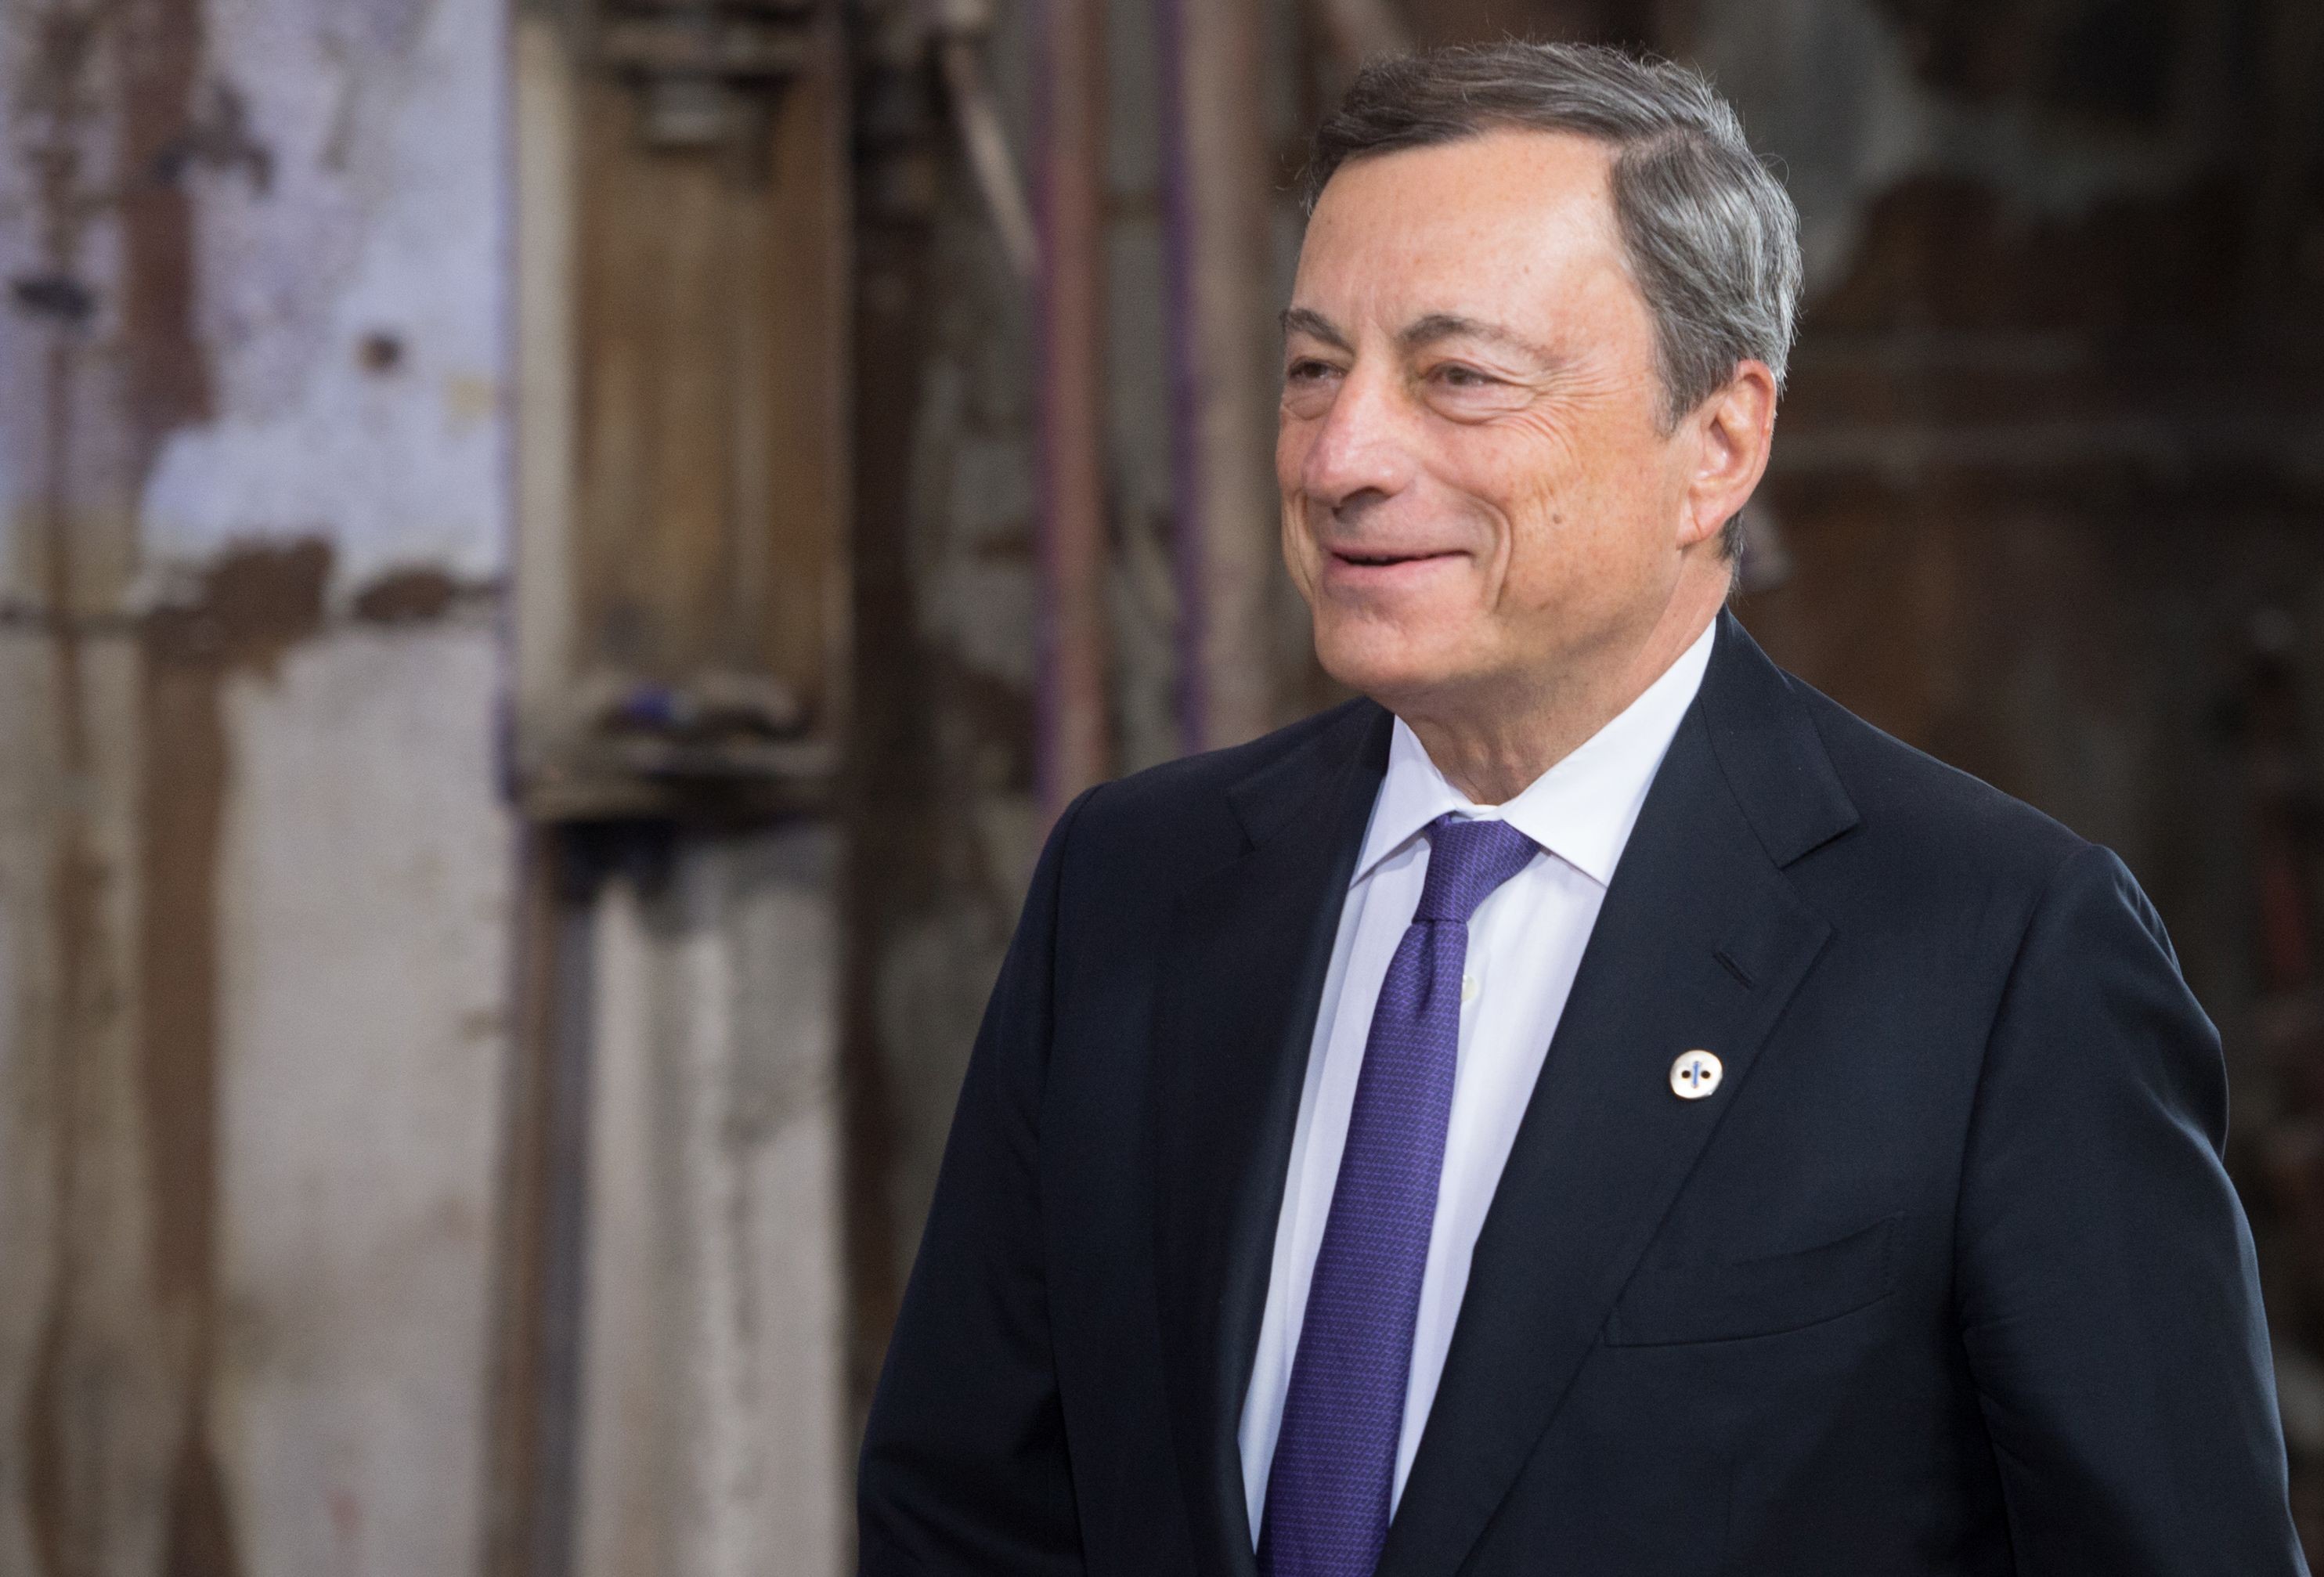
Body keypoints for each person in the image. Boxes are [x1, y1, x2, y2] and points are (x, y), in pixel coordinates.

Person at [857, 41, 2306, 1577]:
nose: (1342, 456)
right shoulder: (1129, 885)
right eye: (1309, 368)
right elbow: (966, 1516)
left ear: (1718, 443)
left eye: (1456, 377)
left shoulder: (1995, 956)